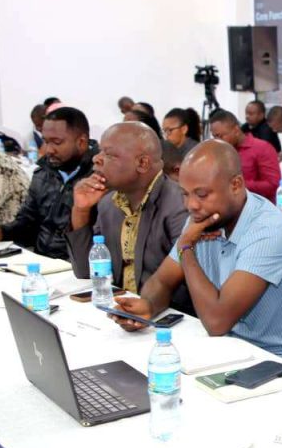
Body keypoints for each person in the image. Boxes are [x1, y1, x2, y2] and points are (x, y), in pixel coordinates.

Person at [108, 139, 282, 366]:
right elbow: (162, 281)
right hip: (233, 348)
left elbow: (217, 322)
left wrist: (186, 249)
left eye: (202, 194)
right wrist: (148, 306)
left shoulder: (268, 232)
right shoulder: (203, 218)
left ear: (236, 185)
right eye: (185, 194)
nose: (191, 205)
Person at [67, 122, 191, 313]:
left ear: (142, 163)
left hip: (166, 314)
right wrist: (81, 211)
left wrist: (147, 308)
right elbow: (86, 271)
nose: (96, 159)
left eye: (109, 155)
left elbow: (185, 287)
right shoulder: (108, 204)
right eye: (100, 152)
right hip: (120, 308)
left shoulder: (180, 205)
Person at [0, 106, 94, 259]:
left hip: (80, 265)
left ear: (81, 142)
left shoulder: (98, 177)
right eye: (46, 141)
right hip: (42, 261)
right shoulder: (44, 173)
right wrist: (1, 232)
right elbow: (27, 224)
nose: (49, 150)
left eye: (56, 142)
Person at [208, 109, 281, 200]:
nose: (217, 140)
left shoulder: (262, 148)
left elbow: (273, 185)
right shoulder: (223, 151)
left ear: (236, 130)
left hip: (257, 204)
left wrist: (237, 185)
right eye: (214, 136)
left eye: (220, 136)